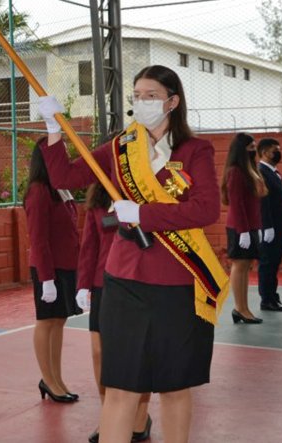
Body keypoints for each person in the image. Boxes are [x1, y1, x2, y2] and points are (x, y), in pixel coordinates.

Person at [37, 65, 224, 443]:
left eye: (151, 95)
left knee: (174, 387)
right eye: (137, 95)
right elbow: (65, 178)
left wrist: (143, 213)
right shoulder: (122, 147)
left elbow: (206, 209)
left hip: (177, 283)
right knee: (121, 386)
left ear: (172, 101)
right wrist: (54, 131)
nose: (141, 102)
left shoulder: (195, 151)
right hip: (124, 283)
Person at [77, 184, 153, 443]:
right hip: (102, 285)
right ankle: (107, 415)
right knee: (100, 354)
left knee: (139, 354)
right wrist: (83, 285)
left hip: (136, 284)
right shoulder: (98, 203)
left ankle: (140, 414)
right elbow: (89, 245)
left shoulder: (144, 194)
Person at [24, 145, 81, 405]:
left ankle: (56, 378)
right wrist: (46, 278)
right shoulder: (38, 190)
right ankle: (47, 378)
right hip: (49, 268)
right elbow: (38, 239)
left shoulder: (61, 188)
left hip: (66, 266)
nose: (65, 160)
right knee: (46, 322)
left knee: (59, 321)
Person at [222, 133, 266, 324]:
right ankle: (240, 308)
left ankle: (244, 307)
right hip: (240, 227)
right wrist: (243, 231)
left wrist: (257, 227)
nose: (253, 150)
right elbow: (236, 203)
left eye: (254, 147)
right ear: (241, 149)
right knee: (239, 266)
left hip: (250, 226)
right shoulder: (236, 171)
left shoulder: (250, 169)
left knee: (246, 266)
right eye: (250, 147)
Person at [256, 138, 282, 312]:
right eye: (275, 150)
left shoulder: (274, 172)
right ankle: (267, 299)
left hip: (281, 226)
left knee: (274, 263)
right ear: (265, 152)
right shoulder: (261, 172)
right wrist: (268, 226)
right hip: (271, 228)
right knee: (268, 263)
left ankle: (273, 297)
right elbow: (262, 201)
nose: (278, 153)